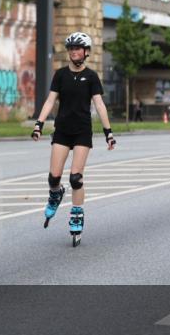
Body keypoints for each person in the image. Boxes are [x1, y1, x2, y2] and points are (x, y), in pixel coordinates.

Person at [31, 31, 116, 246]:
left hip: (82, 132)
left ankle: (76, 215)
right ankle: (55, 193)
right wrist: (39, 124)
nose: (74, 52)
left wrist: (109, 133)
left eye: (78, 48)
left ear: (86, 52)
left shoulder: (92, 77)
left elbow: (99, 105)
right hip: (62, 131)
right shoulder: (60, 75)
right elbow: (50, 101)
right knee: (54, 177)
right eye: (71, 49)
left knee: (76, 178)